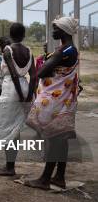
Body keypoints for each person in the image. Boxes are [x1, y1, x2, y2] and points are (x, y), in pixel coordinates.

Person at [25, 17, 80, 190]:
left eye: (55, 29)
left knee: (54, 138)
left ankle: (45, 179)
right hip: (64, 100)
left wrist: (48, 60)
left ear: (63, 31)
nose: (53, 31)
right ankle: (59, 177)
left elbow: (41, 72)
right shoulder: (72, 49)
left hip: (54, 102)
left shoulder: (63, 50)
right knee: (61, 138)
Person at [0, 23, 36, 176]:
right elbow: (34, 76)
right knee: (16, 128)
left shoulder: (7, 50)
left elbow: (14, 75)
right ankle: (11, 166)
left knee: (8, 127)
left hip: (11, 89)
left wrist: (21, 96)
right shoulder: (29, 51)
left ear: (10, 34)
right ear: (23, 35)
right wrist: (28, 96)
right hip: (25, 86)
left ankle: (9, 167)